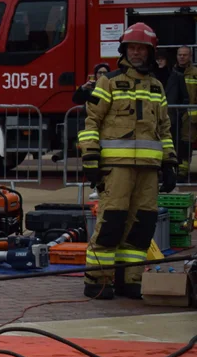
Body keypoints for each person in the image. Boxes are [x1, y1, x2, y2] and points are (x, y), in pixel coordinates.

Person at [81, 23, 177, 300]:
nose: (137, 53)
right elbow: (91, 122)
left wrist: (169, 163)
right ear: (124, 50)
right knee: (112, 220)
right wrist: (90, 157)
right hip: (117, 167)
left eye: (142, 48)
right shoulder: (108, 81)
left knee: (142, 223)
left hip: (148, 170)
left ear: (150, 52)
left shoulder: (156, 86)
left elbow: (165, 129)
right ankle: (98, 280)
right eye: (133, 47)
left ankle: (130, 278)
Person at [70, 62, 111, 198]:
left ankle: (103, 189)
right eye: (100, 73)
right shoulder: (90, 89)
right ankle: (95, 188)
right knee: (90, 162)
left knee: (104, 161)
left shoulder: (111, 88)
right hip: (89, 131)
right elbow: (75, 99)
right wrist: (83, 88)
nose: (102, 75)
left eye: (105, 73)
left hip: (104, 131)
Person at [165, 46, 196, 182]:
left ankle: (183, 172)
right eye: (180, 55)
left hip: (189, 115)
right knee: (172, 141)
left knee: (185, 142)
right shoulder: (170, 71)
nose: (182, 57)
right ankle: (171, 169)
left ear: (190, 57)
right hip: (172, 114)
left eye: (185, 55)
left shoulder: (195, 73)